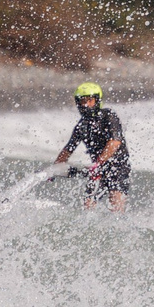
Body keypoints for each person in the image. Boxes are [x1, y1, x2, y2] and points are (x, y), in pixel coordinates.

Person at [52, 81, 131, 211]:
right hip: (98, 170)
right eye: (82, 101)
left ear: (97, 100)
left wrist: (98, 163)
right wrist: (54, 169)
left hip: (118, 167)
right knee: (88, 205)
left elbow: (115, 142)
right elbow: (68, 149)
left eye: (90, 100)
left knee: (116, 204)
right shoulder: (82, 125)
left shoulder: (108, 116)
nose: (86, 105)